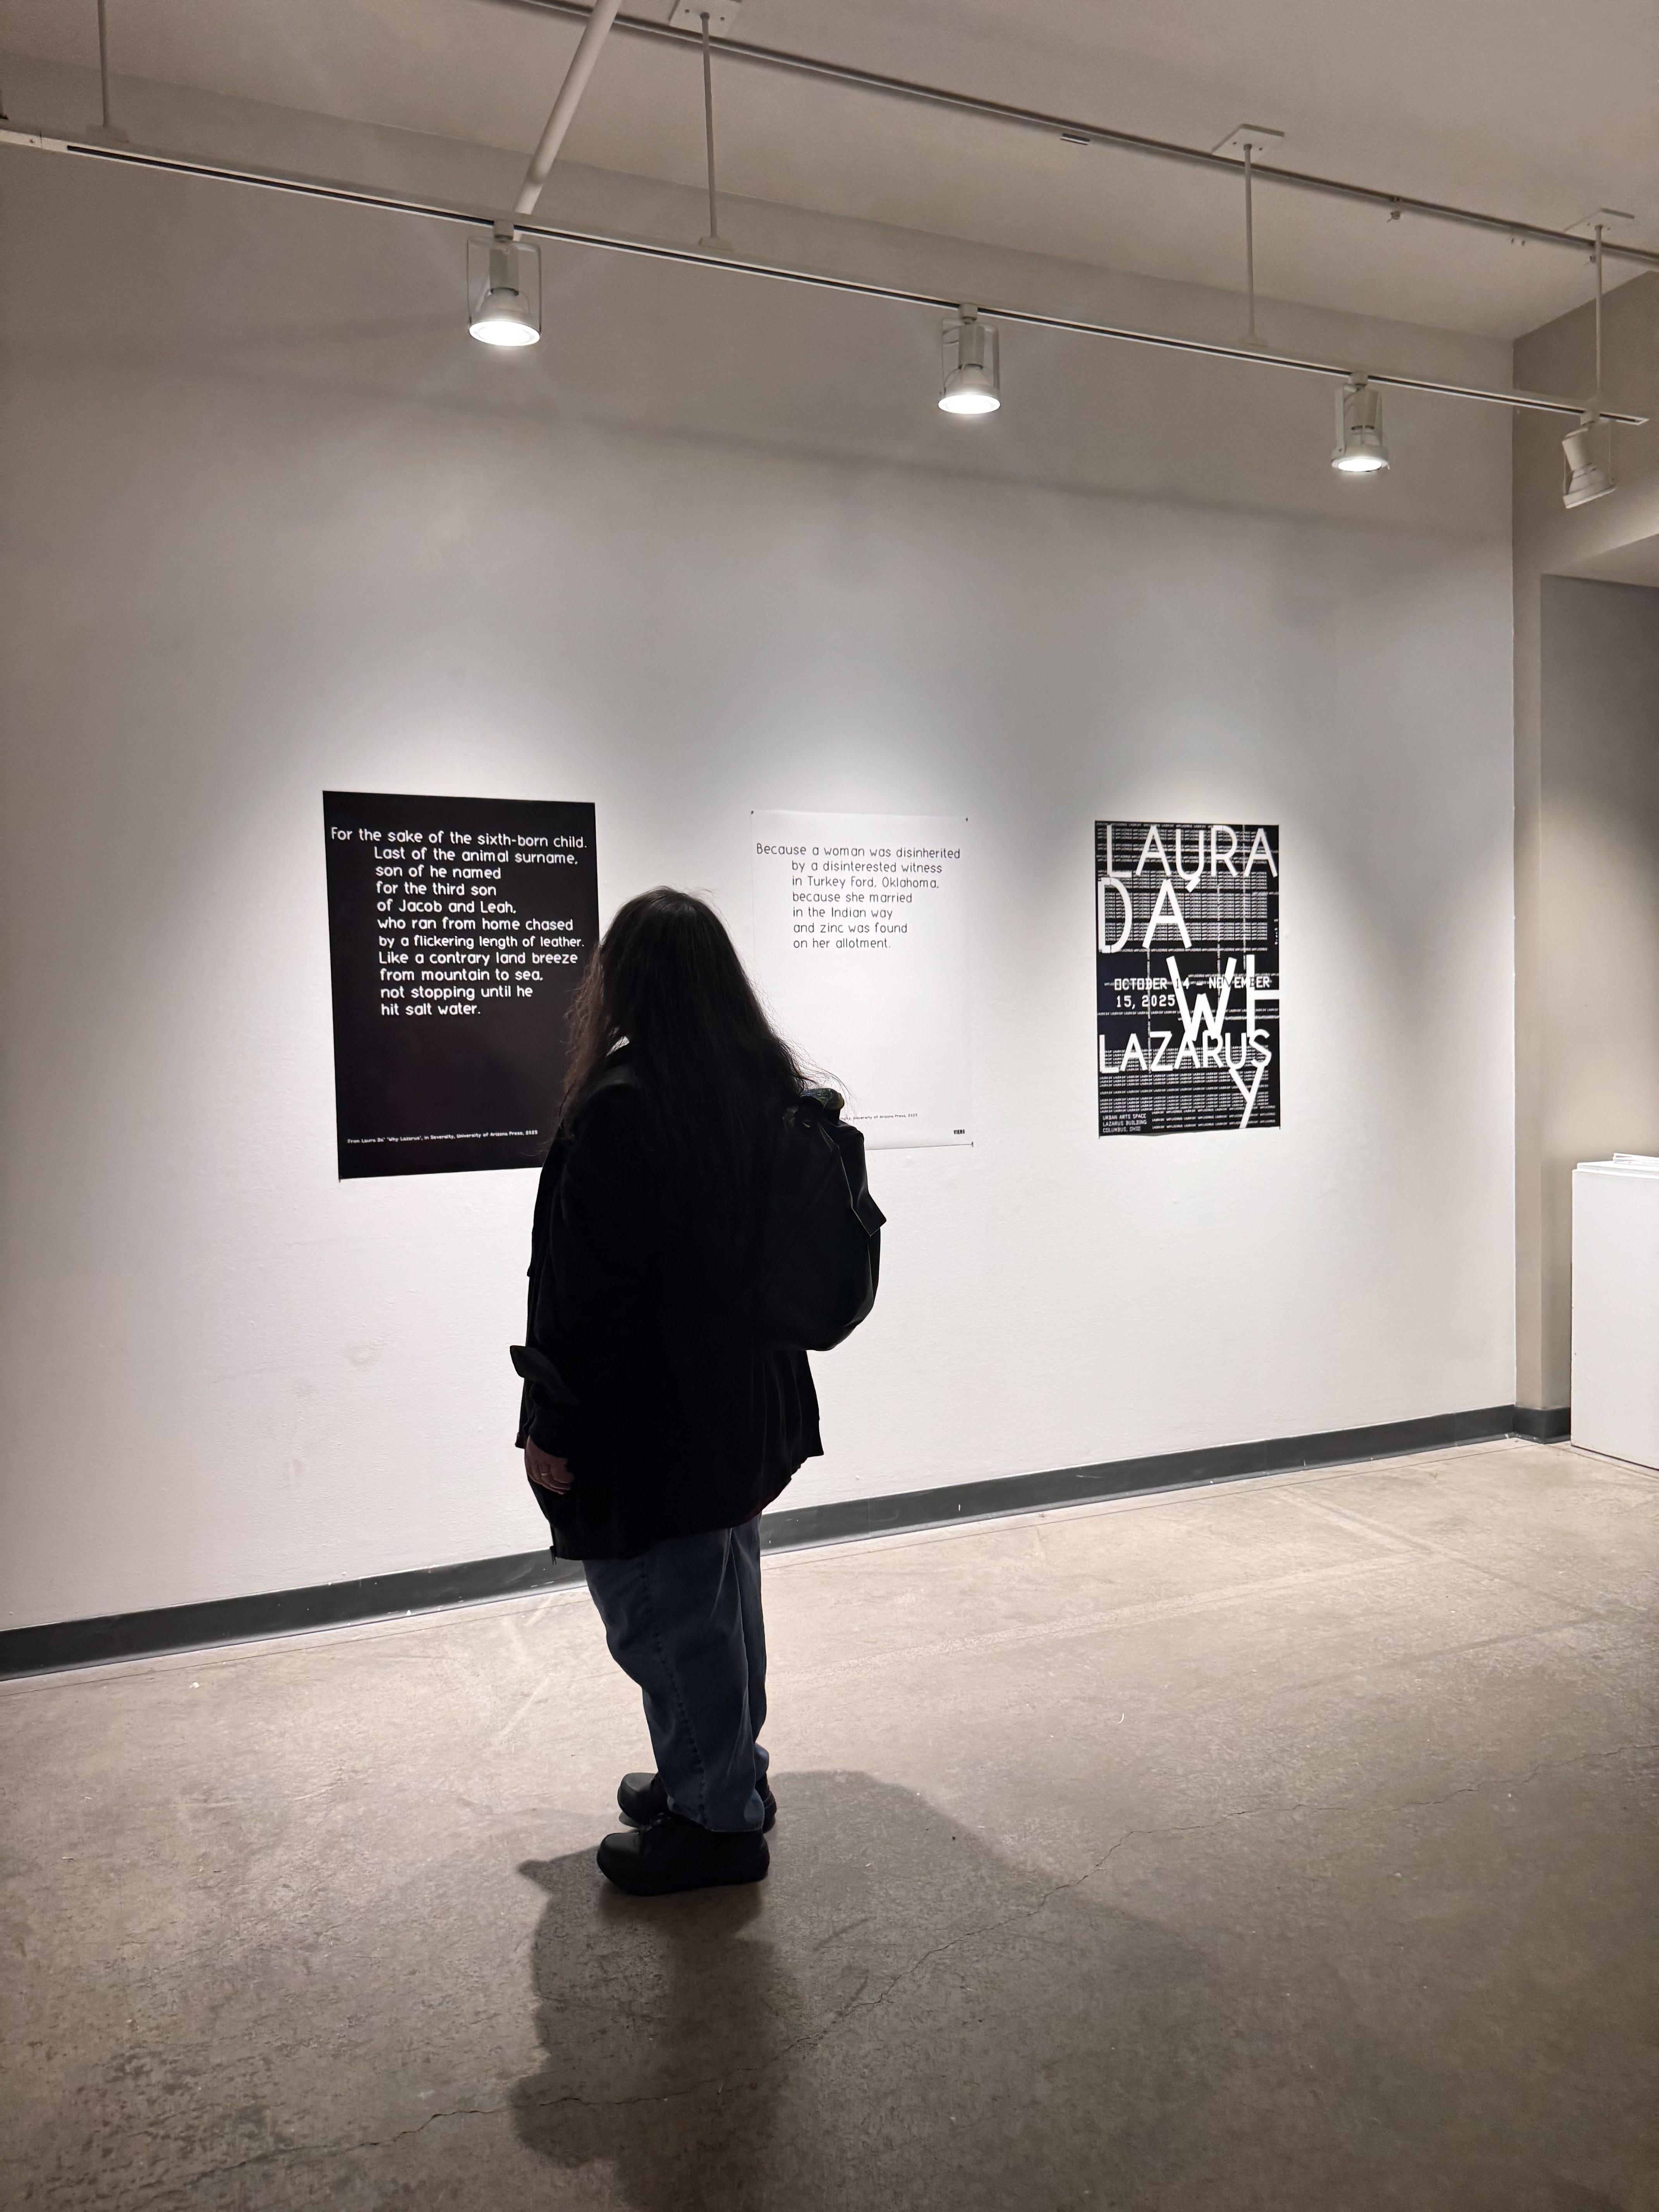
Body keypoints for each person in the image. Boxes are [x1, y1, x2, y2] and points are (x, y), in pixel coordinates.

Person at [512, 888, 822, 1897]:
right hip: (742, 1412)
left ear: (623, 980)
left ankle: (714, 1823)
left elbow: (584, 1298)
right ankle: (725, 1774)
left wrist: (550, 1425)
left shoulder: (627, 1104)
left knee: (662, 1618)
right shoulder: (753, 1084)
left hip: (656, 1426)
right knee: (720, 1599)